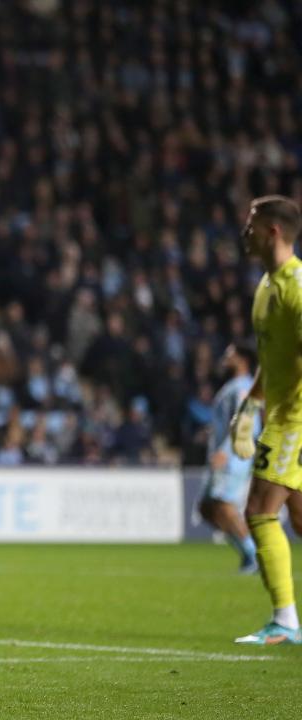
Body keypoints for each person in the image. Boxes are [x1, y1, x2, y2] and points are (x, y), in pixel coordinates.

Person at [230, 195, 302, 645]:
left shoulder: (296, 287)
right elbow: (272, 361)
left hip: (295, 418)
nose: (245, 231)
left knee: (258, 510)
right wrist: (249, 405)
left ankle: (286, 621)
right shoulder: (265, 287)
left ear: (273, 231)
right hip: (278, 413)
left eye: (252, 223)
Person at [196, 341, 259, 573]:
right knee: (206, 508)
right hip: (223, 452)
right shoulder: (233, 386)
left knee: (223, 504)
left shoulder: (243, 387)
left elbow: (246, 422)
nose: (225, 356)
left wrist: (226, 450)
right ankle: (247, 553)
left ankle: (254, 554)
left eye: (230, 353)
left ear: (242, 359)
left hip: (234, 454)